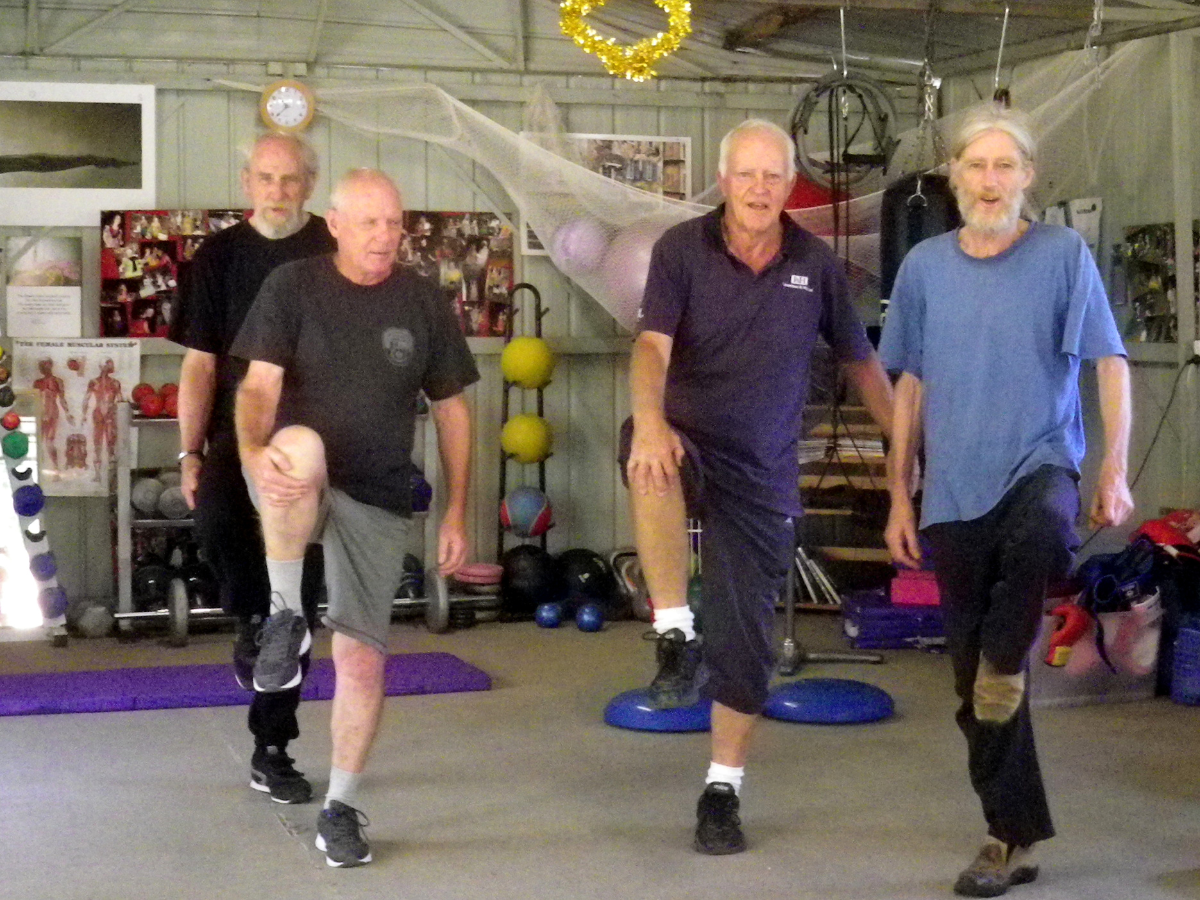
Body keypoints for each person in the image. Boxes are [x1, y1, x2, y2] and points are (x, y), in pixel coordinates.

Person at [879, 104, 1133, 898]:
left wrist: (1113, 469)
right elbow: (909, 384)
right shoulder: (923, 267)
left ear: (1027, 177)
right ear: (952, 178)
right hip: (954, 485)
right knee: (978, 693)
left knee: (1043, 534)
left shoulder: (1063, 255)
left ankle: (1003, 661)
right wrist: (897, 490)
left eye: (1005, 167)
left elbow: (1110, 361)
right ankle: (1010, 835)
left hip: (1040, 460)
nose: (990, 182)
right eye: (975, 167)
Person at [623, 119, 894, 855]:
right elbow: (651, 347)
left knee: (744, 644)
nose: (759, 188)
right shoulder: (683, 250)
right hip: (688, 441)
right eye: (745, 174)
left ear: (788, 183)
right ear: (724, 178)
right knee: (648, 457)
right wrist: (650, 421)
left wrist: (908, 449)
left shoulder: (815, 264)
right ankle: (675, 632)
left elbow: (860, 362)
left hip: (762, 472)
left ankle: (722, 790)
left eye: (772, 176)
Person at [232, 168, 478, 868]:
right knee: (303, 444)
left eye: (394, 224)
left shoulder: (421, 300)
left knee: (363, 661)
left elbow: (454, 410)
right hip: (294, 481)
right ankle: (285, 613)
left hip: (378, 492)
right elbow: (259, 386)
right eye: (368, 223)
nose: (383, 236)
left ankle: (340, 805)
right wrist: (253, 450)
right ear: (333, 223)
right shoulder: (293, 288)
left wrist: (458, 508)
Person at [169, 132, 335, 805]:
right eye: (265, 179)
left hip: (319, 450)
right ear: (246, 183)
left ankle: (273, 748)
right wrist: (189, 453)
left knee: (293, 608)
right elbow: (199, 362)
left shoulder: (334, 248)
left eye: (289, 180)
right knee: (217, 530)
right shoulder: (218, 258)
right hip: (236, 441)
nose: (277, 192)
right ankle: (246, 618)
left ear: (309, 184)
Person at [81, 358, 124, 482]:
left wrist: (120, 414)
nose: (111, 366)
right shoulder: (94, 382)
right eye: (108, 364)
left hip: (110, 414)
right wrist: (83, 414)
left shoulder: (115, 383)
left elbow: (120, 401)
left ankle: (112, 476)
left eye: (110, 363)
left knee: (111, 444)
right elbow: (86, 399)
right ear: (102, 366)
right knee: (98, 444)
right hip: (98, 414)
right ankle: (98, 474)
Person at [32, 358, 75, 477]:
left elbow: (62, 399)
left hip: (51, 413)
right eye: (42, 365)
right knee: (38, 441)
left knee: (49, 442)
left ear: (50, 366)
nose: (44, 368)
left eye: (46, 365)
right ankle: (39, 469)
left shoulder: (57, 381)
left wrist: (67, 414)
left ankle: (56, 468)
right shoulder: (37, 382)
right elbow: (34, 399)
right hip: (39, 413)